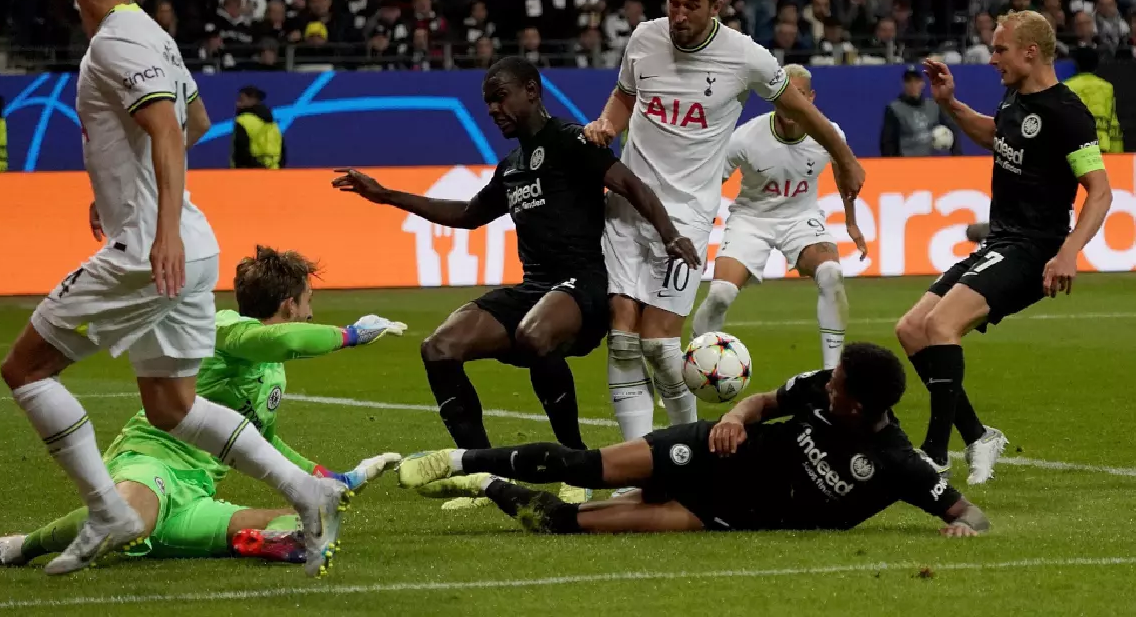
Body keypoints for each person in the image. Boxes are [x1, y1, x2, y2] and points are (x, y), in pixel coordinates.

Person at [0, 0, 347, 578]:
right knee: (173, 405)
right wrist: (120, 190)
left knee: (26, 371)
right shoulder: (154, 33)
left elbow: (164, 128)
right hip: (194, 240)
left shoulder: (113, 44)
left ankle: (107, 508)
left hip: (151, 250)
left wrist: (151, 228)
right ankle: (310, 493)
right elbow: (196, 122)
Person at [333, 56, 701, 509]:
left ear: (531, 90)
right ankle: (485, 476)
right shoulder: (512, 166)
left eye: (500, 98)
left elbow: (632, 186)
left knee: (534, 333)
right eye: (488, 104)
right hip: (536, 288)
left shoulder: (570, 141)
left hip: (583, 286)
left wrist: (672, 236)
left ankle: (576, 465)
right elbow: (468, 216)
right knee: (439, 348)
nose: (493, 110)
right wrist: (386, 196)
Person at [0, 247, 406, 569]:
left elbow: (260, 441)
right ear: (289, 304)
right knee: (130, 518)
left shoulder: (270, 370)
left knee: (309, 524)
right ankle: (13, 548)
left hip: (196, 492)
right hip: (152, 462)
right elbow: (280, 338)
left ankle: (233, 541)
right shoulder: (227, 326)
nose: (310, 314)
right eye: (309, 304)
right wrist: (350, 335)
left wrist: (330, 478)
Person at [583, 0, 865, 443]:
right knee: (623, 340)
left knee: (658, 343)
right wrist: (608, 123)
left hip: (687, 217)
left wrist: (844, 158)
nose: (679, 15)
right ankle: (632, 464)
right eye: (673, 2)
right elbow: (625, 95)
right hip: (627, 206)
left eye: (692, 5)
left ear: (716, 5)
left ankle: (684, 450)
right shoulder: (644, 39)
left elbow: (805, 111)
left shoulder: (746, 57)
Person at [397, 343, 990, 538]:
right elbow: (762, 403)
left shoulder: (897, 464)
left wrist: (962, 524)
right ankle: (456, 457)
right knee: (579, 466)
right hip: (712, 449)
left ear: (856, 404)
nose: (825, 380)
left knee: (563, 524)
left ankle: (484, 482)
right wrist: (737, 417)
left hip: (716, 513)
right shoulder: (818, 389)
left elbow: (970, 511)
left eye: (835, 383)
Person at [894, 11, 1112, 483]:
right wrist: (951, 104)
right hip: (1001, 242)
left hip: (1035, 249)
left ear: (1030, 51)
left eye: (1000, 50)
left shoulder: (1067, 114)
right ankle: (976, 435)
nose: (992, 59)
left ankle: (934, 454)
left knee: (940, 323)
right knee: (911, 329)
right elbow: (996, 136)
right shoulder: (1015, 101)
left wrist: (1069, 252)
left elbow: (1100, 190)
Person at [689, 65, 867, 370]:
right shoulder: (745, 138)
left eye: (798, 95)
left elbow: (844, 173)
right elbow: (708, 188)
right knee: (720, 294)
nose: (790, 103)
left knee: (831, 274)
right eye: (784, 95)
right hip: (750, 219)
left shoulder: (828, 133)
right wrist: (699, 237)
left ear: (810, 98)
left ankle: (831, 375)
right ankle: (694, 365)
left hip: (801, 217)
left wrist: (851, 222)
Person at [880, 66, 961, 157]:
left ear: (923, 83)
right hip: (907, 163)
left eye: (916, 81)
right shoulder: (894, 109)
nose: (913, 85)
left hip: (933, 162)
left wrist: (957, 157)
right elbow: (888, 142)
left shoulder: (934, 106)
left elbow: (953, 130)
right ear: (904, 84)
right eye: (909, 81)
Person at [1062, 47, 1123, 153]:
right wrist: (1117, 154)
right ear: (1096, 66)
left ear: (1076, 65)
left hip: (1075, 148)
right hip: (1101, 146)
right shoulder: (1107, 87)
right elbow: (1113, 125)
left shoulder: (1066, 87)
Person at [231, 85, 286, 169]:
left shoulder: (242, 121)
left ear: (253, 100)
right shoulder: (273, 124)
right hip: (274, 173)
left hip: (248, 174)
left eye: (241, 100)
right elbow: (283, 151)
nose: (237, 103)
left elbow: (241, 152)